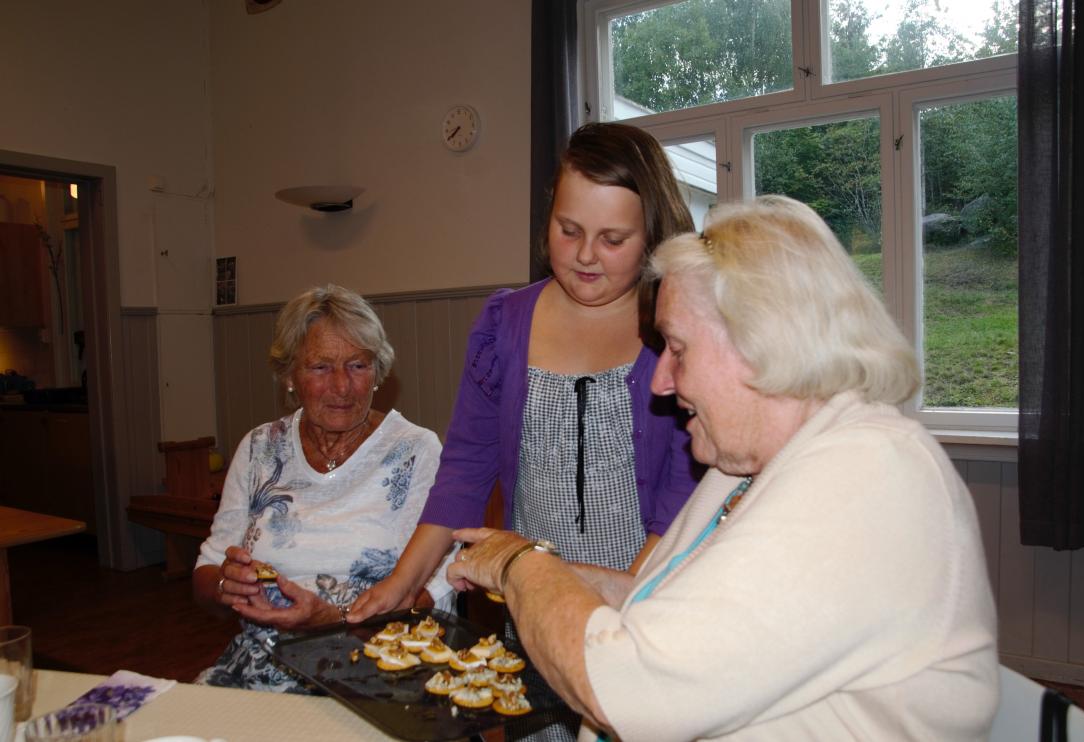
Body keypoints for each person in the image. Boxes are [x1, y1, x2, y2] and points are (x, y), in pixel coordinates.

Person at [446, 196, 1000, 741]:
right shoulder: (745, 470)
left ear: (762, 342)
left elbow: (632, 690)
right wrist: (551, 570)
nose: (662, 382)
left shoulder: (871, 474)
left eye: (678, 349)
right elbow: (670, 610)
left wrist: (522, 565)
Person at [348, 122, 700, 620]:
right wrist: (404, 581)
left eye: (613, 239)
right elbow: (465, 471)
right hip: (529, 605)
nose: (584, 255)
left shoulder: (676, 332)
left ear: (652, 236)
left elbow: (683, 491)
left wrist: (627, 596)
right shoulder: (504, 325)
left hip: (646, 598)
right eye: (569, 229)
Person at [192, 284, 454, 692]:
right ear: (290, 375)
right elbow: (206, 569)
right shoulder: (260, 448)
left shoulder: (415, 451)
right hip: (261, 664)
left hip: (378, 665)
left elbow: (439, 586)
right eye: (320, 368)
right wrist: (229, 584)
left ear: (378, 372)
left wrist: (337, 618)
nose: (342, 386)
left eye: (357, 365)